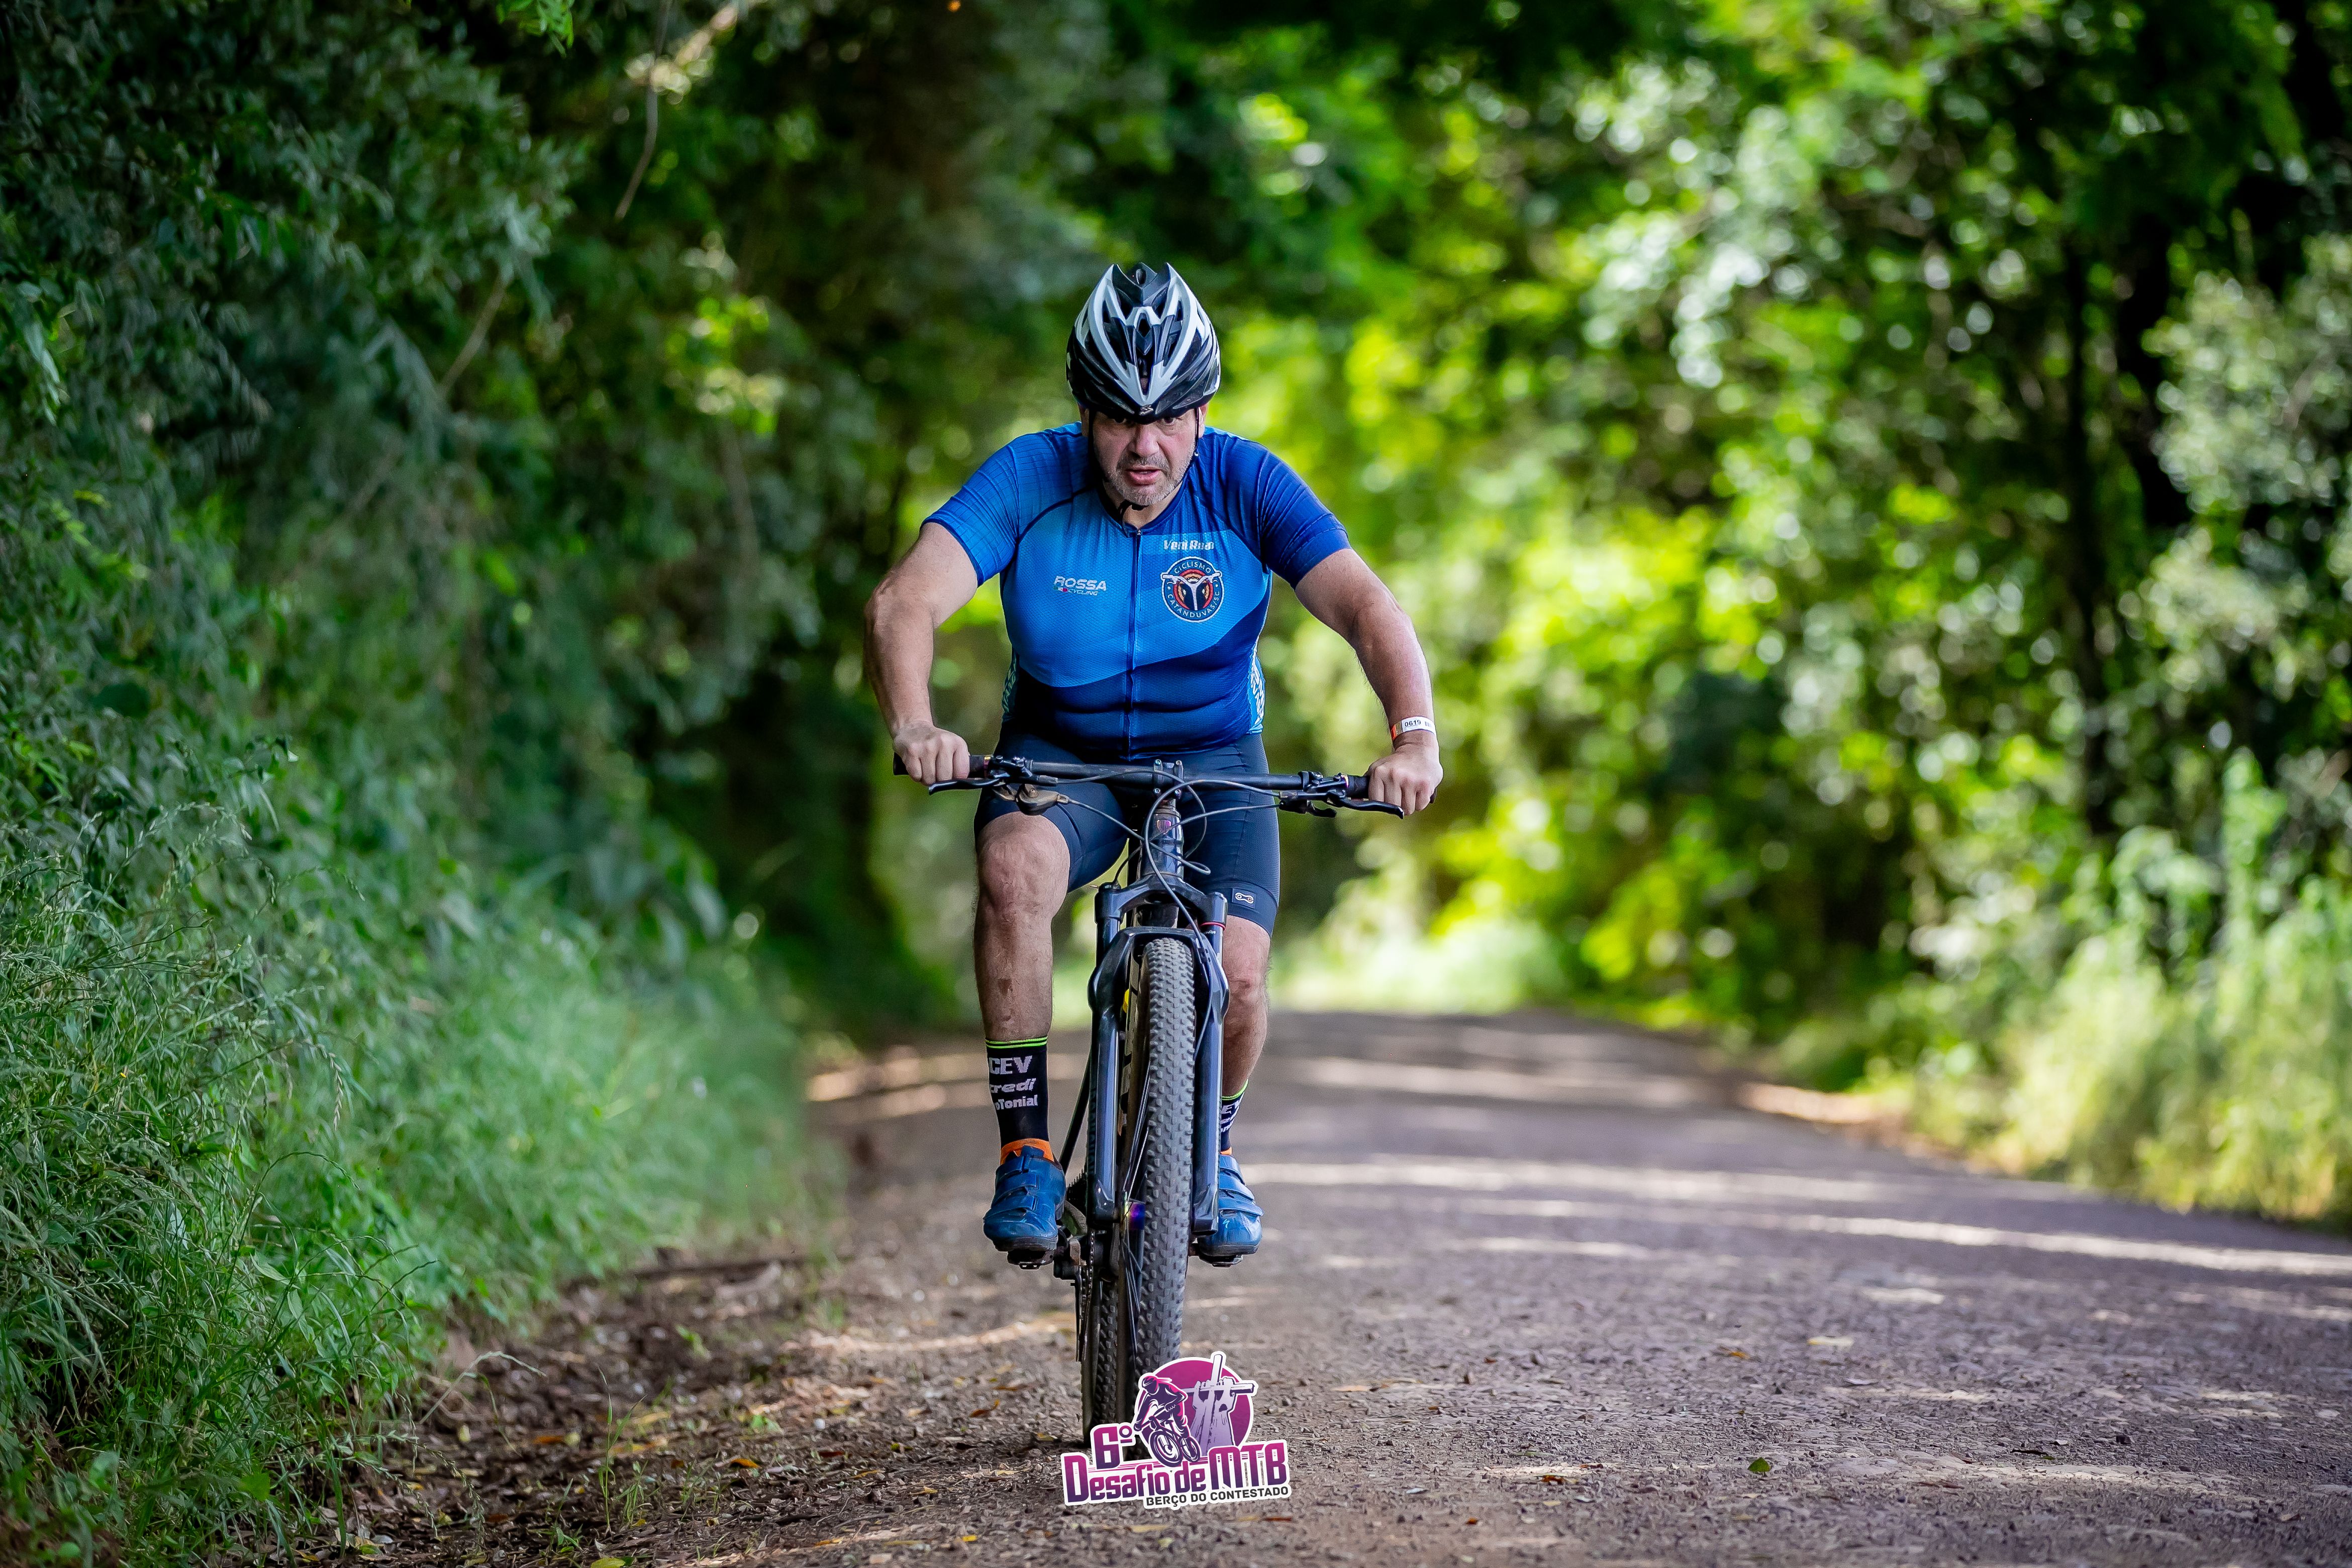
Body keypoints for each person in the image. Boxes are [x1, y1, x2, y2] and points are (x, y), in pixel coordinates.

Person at [864, 262, 1441, 1266]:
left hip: (1215, 758)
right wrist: (915, 724)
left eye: (1170, 417)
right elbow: (904, 601)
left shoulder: (1247, 482)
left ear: (1202, 411)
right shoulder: (1029, 478)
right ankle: (1027, 1152)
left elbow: (1366, 607)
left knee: (1242, 977)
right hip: (1064, 753)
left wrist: (1415, 736)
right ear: (1085, 413)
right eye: (1122, 419)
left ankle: (1213, 1148)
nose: (1146, 446)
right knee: (1013, 872)